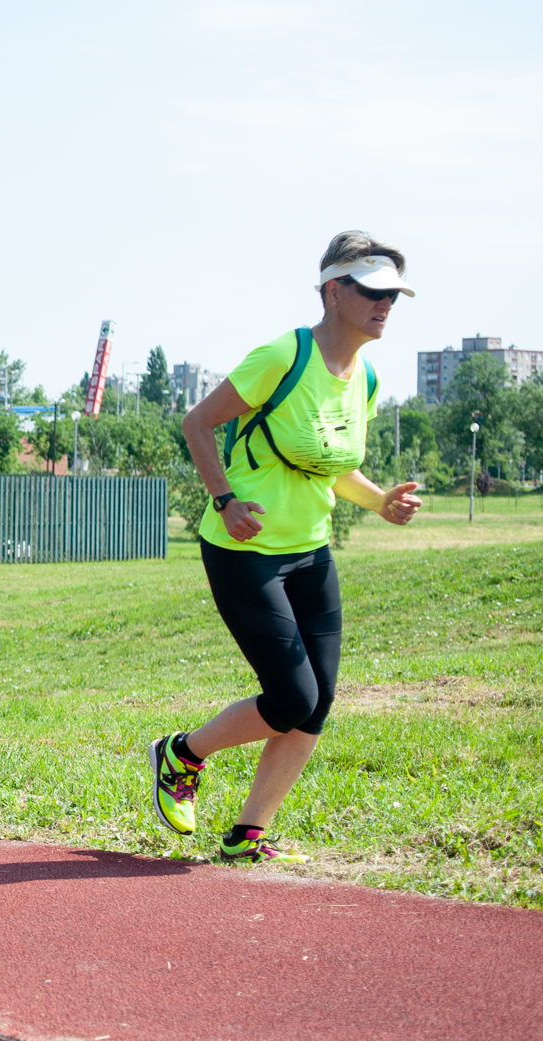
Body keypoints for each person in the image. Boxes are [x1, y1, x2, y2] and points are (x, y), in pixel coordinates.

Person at [150, 231, 423, 862]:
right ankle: (181, 754)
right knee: (291, 697)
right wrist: (223, 498)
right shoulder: (284, 356)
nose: (386, 305)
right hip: (244, 550)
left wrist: (380, 500)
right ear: (334, 290)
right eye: (374, 292)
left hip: (310, 550)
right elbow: (197, 422)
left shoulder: (366, 378)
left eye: (394, 296)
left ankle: (248, 834)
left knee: (317, 701)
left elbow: (328, 467)